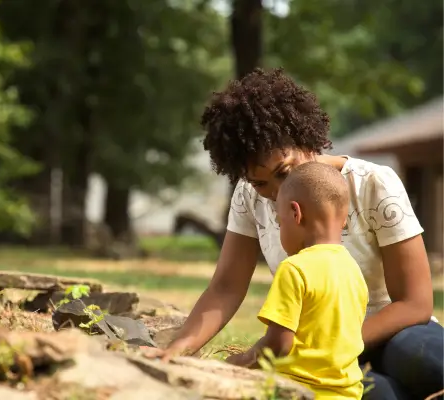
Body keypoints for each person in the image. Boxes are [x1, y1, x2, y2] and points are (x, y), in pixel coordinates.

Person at [143, 68, 443, 400]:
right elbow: (226, 287)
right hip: (321, 355)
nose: (277, 192)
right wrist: (181, 347)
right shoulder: (249, 196)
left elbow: (415, 302)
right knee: (375, 393)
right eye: (261, 182)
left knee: (419, 360)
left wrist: (342, 341)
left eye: (284, 172)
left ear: (306, 140)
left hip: (395, 330)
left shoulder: (373, 183)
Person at [226, 161, 368, 399]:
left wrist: (239, 362)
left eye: (280, 223)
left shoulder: (294, 268)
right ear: (343, 219)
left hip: (296, 391)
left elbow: (278, 346)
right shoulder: (353, 271)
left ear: (295, 213)